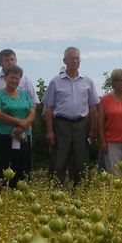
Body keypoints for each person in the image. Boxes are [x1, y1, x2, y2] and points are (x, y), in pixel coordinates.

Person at [43, 47, 100, 186]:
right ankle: (54, 194)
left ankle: (81, 194)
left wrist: (93, 129)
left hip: (81, 125)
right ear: (65, 61)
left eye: (77, 58)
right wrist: (49, 131)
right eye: (71, 58)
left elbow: (93, 108)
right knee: (58, 161)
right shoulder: (55, 82)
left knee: (81, 161)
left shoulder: (88, 82)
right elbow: (49, 108)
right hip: (60, 124)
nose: (74, 61)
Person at [0, 65, 36, 188]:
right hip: (4, 136)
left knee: (23, 167)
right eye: (12, 78)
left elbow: (32, 111)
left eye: (17, 78)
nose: (14, 81)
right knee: (3, 167)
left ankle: (21, 195)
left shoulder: (24, 94)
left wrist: (25, 124)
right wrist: (18, 122)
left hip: (23, 136)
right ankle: (3, 196)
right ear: (5, 78)